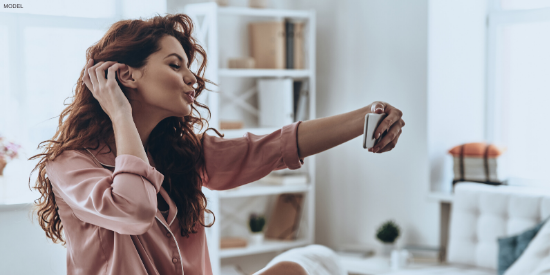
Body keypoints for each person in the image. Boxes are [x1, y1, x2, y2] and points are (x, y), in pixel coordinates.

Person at [28, 13, 405, 275]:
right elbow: (133, 209)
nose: (193, 79)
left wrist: (366, 117)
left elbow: (276, 145)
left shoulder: (181, 154)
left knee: (295, 268)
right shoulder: (70, 164)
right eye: (175, 65)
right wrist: (120, 115)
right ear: (125, 75)